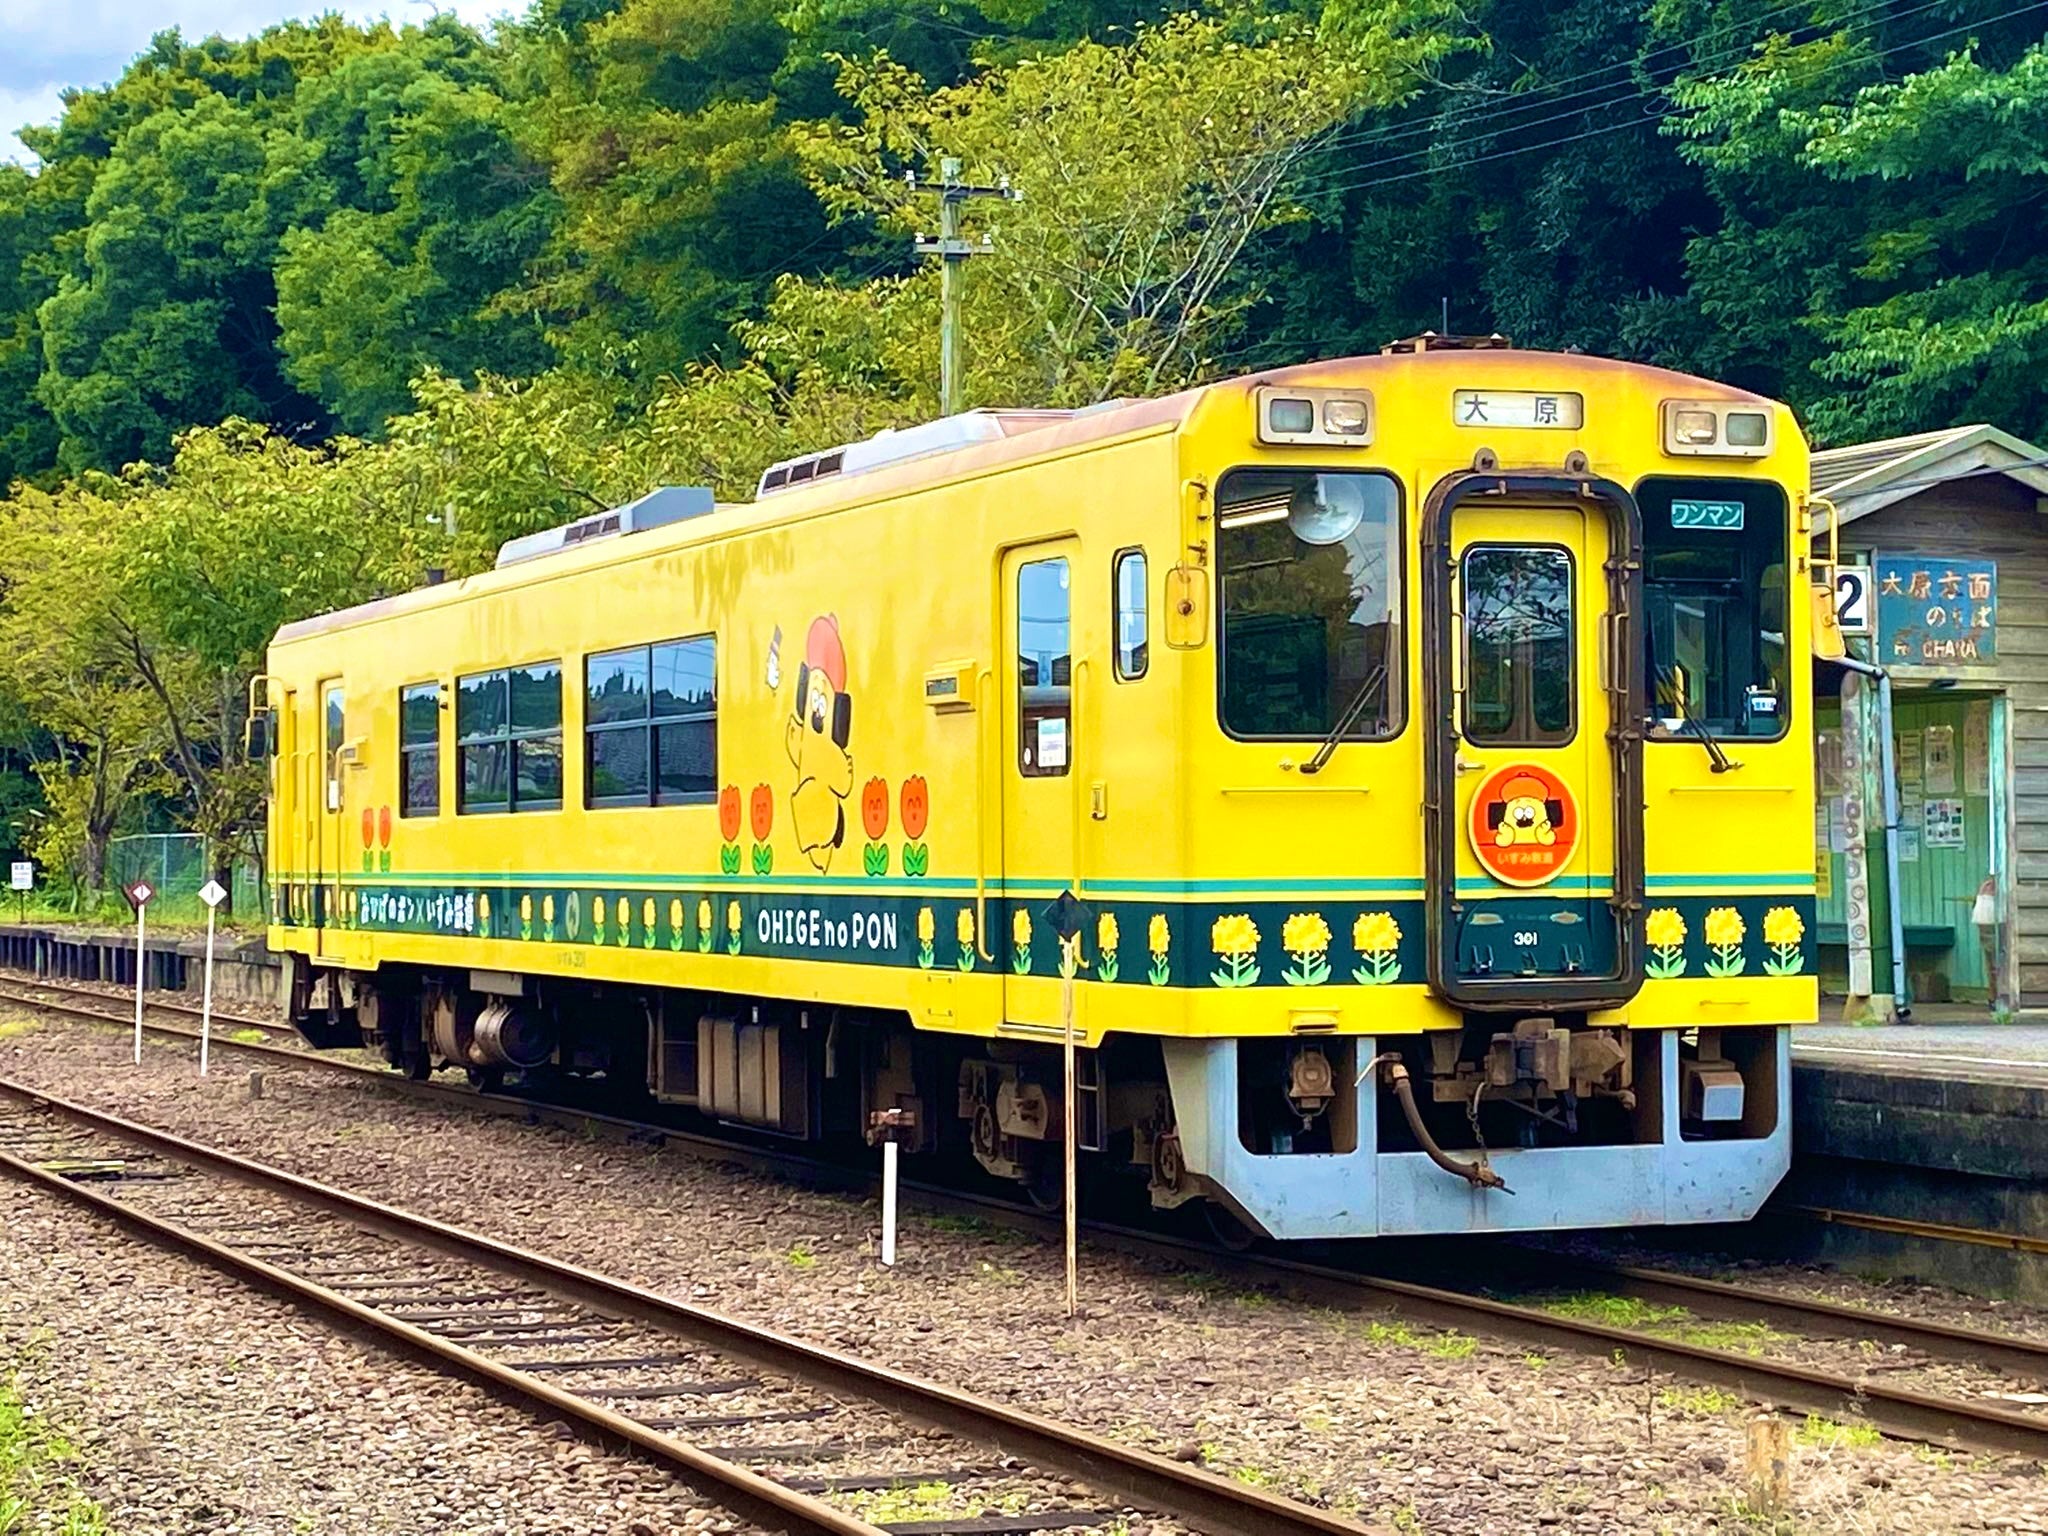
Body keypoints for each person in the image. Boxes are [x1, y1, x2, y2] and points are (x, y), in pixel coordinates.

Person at [1973, 875, 2004, 1015]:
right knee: (1993, 965)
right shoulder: (1987, 889)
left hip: (1993, 923)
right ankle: (1995, 996)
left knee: (1994, 965)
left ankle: (1996, 996)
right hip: (1991, 924)